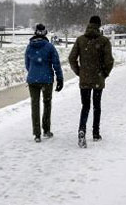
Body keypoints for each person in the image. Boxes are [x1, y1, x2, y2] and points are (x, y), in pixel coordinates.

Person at [68, 15, 114, 148]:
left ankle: (82, 130)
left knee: (85, 106)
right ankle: (95, 133)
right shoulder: (104, 41)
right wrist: (104, 73)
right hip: (98, 78)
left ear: (89, 24)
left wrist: (79, 72)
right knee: (97, 106)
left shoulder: (80, 40)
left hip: (85, 78)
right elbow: (109, 61)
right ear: (99, 25)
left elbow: (72, 59)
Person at [25, 23, 64, 142]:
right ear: (45, 33)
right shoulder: (49, 47)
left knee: (34, 105)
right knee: (47, 103)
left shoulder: (29, 47)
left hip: (33, 80)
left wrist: (33, 73)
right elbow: (56, 64)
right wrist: (60, 78)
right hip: (47, 79)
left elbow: (27, 65)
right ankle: (46, 129)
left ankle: (37, 134)